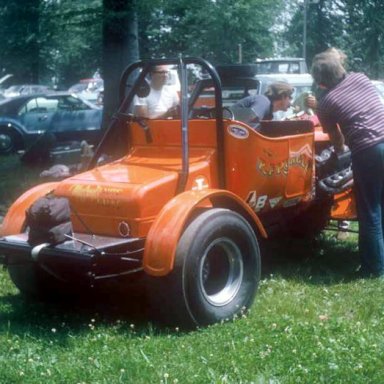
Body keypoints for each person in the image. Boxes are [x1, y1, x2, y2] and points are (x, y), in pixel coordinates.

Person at [311, 50, 384, 278]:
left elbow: (337, 140)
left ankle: (374, 269)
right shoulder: (361, 78)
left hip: (368, 151)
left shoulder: (326, 103)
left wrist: (339, 153)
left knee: (370, 210)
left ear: (321, 82)